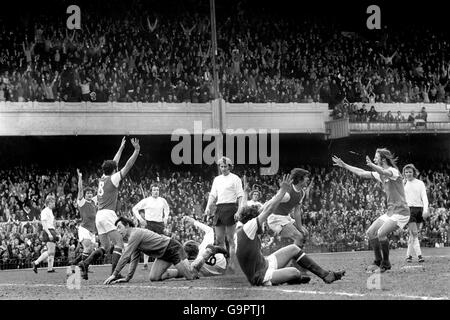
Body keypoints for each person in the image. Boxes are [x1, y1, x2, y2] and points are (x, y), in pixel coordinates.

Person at [235, 174, 345, 286]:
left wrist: (244, 192)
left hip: (265, 263)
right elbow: (269, 210)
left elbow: (243, 209)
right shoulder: (249, 227)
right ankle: (291, 277)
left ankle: (326, 275)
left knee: (293, 248)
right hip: (261, 275)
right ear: (251, 219)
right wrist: (282, 190)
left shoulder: (242, 226)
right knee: (294, 272)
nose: (262, 222)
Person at [332, 148, 410, 273]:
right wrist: (344, 165)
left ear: (383, 159)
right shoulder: (381, 174)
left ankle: (386, 262)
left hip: (401, 212)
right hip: (391, 212)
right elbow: (362, 173)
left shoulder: (393, 171)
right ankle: (378, 260)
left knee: (380, 233)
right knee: (370, 232)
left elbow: (385, 171)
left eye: (376, 157)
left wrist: (372, 165)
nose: (374, 159)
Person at [78, 137, 140, 280]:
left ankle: (85, 263)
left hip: (99, 215)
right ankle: (115, 273)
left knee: (105, 247)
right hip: (108, 214)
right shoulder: (114, 178)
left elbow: (114, 162)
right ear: (113, 170)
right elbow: (127, 165)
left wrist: (121, 147)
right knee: (120, 244)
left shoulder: (102, 178)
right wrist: (136, 151)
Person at [103, 217, 226, 284]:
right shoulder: (132, 239)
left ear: (127, 226)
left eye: (119, 227)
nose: (118, 230)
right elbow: (134, 259)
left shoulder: (135, 234)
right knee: (154, 278)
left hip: (172, 248)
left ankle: (208, 252)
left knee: (191, 276)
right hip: (163, 254)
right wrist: (127, 278)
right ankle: (182, 270)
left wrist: (114, 274)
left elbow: (125, 256)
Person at [204, 156, 244, 274]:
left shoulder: (235, 178)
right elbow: (212, 195)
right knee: (219, 240)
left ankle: (232, 263)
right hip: (219, 208)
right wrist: (207, 207)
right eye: (221, 166)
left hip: (231, 207)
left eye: (225, 166)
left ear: (230, 166)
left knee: (230, 239)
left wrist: (239, 211)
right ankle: (224, 263)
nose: (223, 168)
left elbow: (240, 196)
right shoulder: (217, 179)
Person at [162, 216, 228, 280]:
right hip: (222, 264)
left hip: (211, 270)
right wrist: (194, 221)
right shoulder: (204, 244)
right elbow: (210, 230)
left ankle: (170, 273)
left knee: (190, 270)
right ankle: (215, 251)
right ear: (196, 244)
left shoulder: (193, 261)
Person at [132, 184, 170, 270]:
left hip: (159, 224)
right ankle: (145, 263)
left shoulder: (162, 200)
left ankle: (159, 263)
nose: (156, 192)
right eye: (154, 190)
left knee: (160, 243)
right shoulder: (146, 200)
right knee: (147, 243)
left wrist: (166, 217)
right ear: (151, 191)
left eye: (157, 190)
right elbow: (134, 208)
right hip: (149, 223)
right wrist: (140, 219)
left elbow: (167, 209)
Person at [69, 169, 97, 268]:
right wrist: (80, 178)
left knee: (91, 249)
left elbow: (103, 194)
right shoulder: (82, 202)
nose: (90, 194)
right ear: (85, 195)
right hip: (84, 228)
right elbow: (80, 190)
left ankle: (75, 263)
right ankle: (83, 266)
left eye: (91, 193)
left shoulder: (93, 202)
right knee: (88, 248)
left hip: (92, 230)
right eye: (88, 193)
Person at [403, 164, 429, 263]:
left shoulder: (420, 183)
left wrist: (425, 210)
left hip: (419, 210)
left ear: (414, 172)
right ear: (404, 173)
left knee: (412, 234)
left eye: (410, 172)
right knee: (414, 234)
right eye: (406, 172)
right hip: (409, 210)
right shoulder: (403, 183)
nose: (408, 174)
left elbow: (424, 197)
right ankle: (419, 255)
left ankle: (408, 256)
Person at [32, 195, 58, 273]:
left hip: (51, 230)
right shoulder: (45, 211)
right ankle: (36, 262)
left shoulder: (50, 211)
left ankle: (50, 268)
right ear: (49, 203)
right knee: (50, 251)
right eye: (53, 202)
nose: (54, 204)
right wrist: (49, 233)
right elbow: (44, 223)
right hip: (48, 230)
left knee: (52, 251)